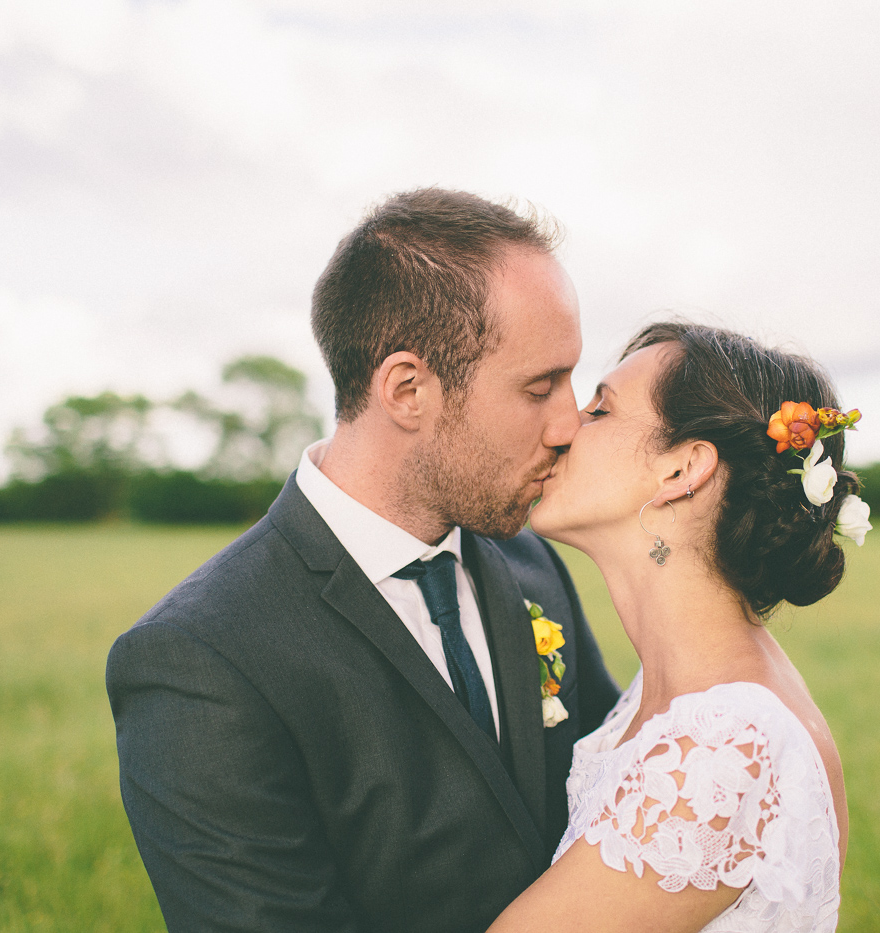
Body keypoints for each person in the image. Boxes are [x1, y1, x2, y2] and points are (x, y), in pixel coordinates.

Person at [106, 188, 621, 933]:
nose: (570, 422)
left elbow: (613, 802)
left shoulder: (533, 563)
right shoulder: (199, 662)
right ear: (408, 389)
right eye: (540, 387)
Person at [491, 322, 865, 932]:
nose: (562, 428)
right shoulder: (670, 696)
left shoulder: (725, 745)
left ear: (682, 469)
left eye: (600, 410)